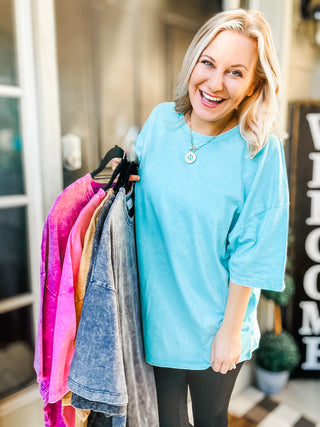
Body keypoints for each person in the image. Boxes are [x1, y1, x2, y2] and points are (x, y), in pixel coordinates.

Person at [114, 8, 289, 427]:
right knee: (167, 420)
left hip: (217, 320)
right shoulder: (160, 122)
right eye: (208, 63)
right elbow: (144, 203)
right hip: (158, 314)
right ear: (193, 61)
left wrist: (230, 331)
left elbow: (254, 245)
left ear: (253, 86)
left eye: (234, 72)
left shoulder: (259, 150)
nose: (213, 83)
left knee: (210, 419)